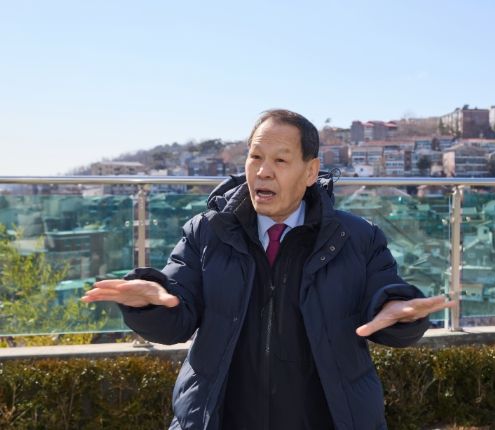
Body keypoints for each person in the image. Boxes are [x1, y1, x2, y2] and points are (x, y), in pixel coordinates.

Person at [82, 109, 453, 430]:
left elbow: (386, 298)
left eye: (280, 160)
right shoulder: (207, 232)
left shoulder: (357, 238)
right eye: (255, 157)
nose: (263, 171)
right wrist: (150, 304)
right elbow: (177, 315)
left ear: (310, 171)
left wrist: (399, 313)